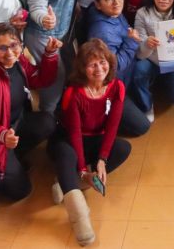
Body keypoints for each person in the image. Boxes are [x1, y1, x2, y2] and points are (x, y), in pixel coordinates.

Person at [49, 40, 132, 246]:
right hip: (70, 139)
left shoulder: (117, 87)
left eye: (102, 62)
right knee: (66, 154)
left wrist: (102, 160)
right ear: (82, 68)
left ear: (109, 63)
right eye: (91, 64)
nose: (98, 68)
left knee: (123, 148)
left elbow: (112, 126)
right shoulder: (74, 93)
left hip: (95, 139)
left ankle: (68, 182)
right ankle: (80, 219)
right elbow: (75, 133)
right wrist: (83, 168)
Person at [0, 23, 59, 201]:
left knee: (47, 122)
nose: (9, 52)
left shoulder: (20, 62)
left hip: (15, 127)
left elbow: (39, 80)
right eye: (2, 48)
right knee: (20, 191)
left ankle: (15, 155)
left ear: (21, 45)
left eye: (14, 45)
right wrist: (2, 136)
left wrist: (50, 54)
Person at [85, 0, 150, 136]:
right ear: (98, 4)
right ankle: (104, 118)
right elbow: (114, 67)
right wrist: (132, 41)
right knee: (142, 126)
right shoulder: (102, 32)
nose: (116, 2)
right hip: (110, 89)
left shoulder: (114, 14)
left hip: (125, 78)